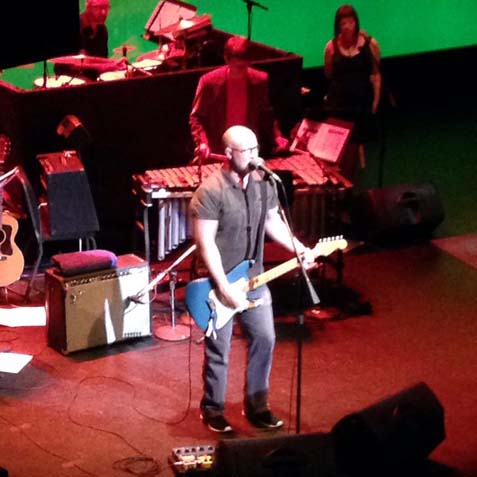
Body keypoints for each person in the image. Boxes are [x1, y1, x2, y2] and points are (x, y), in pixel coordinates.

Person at [189, 125, 313, 433]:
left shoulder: (263, 183)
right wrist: (224, 287)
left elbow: (273, 222)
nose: (256, 157)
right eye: (248, 151)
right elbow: (205, 244)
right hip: (220, 282)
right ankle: (213, 408)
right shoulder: (210, 191)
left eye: (258, 149)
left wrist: (299, 249)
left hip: (255, 278)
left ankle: (257, 406)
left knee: (266, 339)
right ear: (229, 154)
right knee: (220, 348)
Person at [189, 35, 287, 162]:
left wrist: (277, 137)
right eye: (237, 67)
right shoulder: (209, 82)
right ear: (226, 59)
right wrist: (202, 143)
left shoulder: (259, 80)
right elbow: (196, 117)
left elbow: (266, 114)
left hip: (248, 152)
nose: (240, 71)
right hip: (219, 152)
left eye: (243, 67)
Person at [323, 4, 381, 173]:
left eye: (351, 22)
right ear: (338, 26)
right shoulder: (331, 47)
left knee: (355, 147)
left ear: (356, 22)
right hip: (339, 104)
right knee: (339, 146)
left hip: (360, 104)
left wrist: (375, 102)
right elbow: (328, 73)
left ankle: (350, 179)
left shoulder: (369, 44)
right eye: (343, 24)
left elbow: (376, 74)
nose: (348, 27)